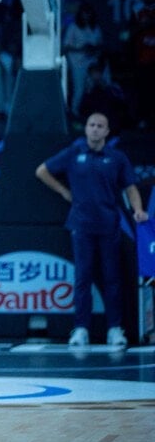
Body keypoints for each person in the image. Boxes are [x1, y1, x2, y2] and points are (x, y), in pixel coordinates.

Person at [35, 111, 148, 348]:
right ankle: (81, 329)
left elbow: (131, 188)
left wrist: (138, 210)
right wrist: (63, 191)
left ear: (106, 131)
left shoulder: (116, 158)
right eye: (91, 125)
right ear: (86, 128)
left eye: (100, 126)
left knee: (112, 278)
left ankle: (115, 329)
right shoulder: (74, 153)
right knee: (82, 278)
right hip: (81, 225)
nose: (95, 129)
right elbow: (42, 171)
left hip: (109, 225)